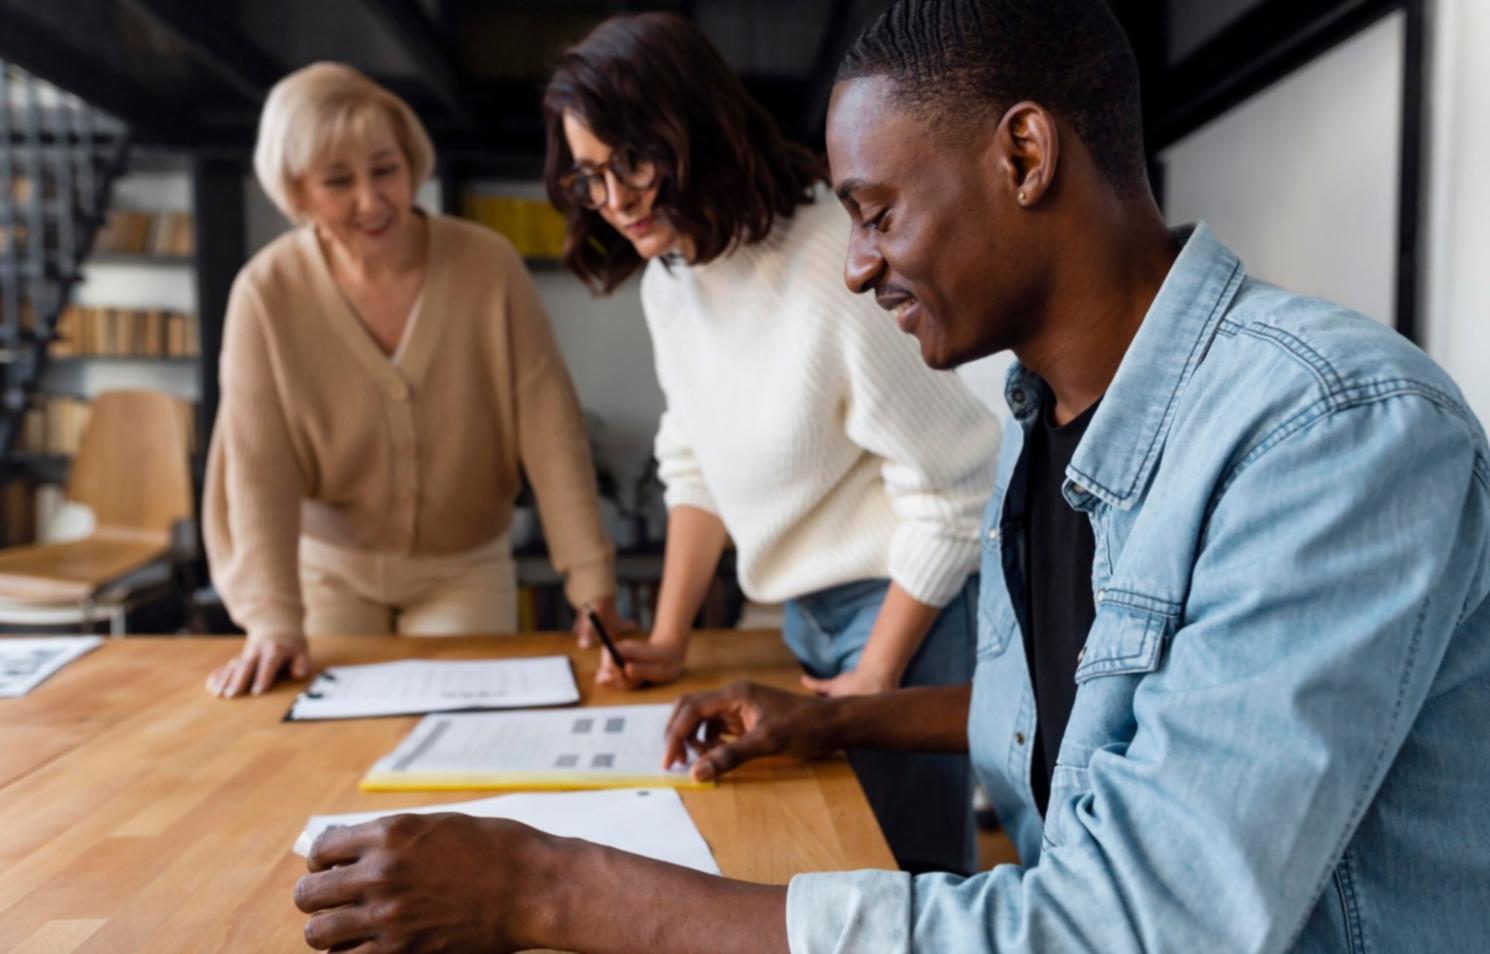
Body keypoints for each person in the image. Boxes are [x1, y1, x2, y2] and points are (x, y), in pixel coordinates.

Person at [291, 2, 1490, 951]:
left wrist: (544, 888)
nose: (855, 268)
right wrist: (834, 717)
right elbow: (1063, 725)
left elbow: (1133, 927)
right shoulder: (1040, 414)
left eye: (873, 214)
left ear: (1023, 153)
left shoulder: (1329, 435)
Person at [541, 12, 1003, 876]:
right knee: (839, 863)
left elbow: (959, 488)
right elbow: (693, 462)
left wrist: (875, 677)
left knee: (912, 879)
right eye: (590, 178)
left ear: (695, 133)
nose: (615, 201)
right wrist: (670, 635)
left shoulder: (832, 260)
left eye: (632, 162)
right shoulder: (672, 279)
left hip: (911, 609)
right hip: (807, 613)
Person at [203, 63, 623, 699]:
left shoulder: (487, 265)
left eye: (386, 169)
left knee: (468, 747)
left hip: (464, 568)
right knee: (322, 756)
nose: (372, 201)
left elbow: (549, 427)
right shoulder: (265, 293)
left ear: (412, 161)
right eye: (339, 181)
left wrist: (590, 580)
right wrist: (272, 618)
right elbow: (258, 467)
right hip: (329, 572)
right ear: (297, 191)